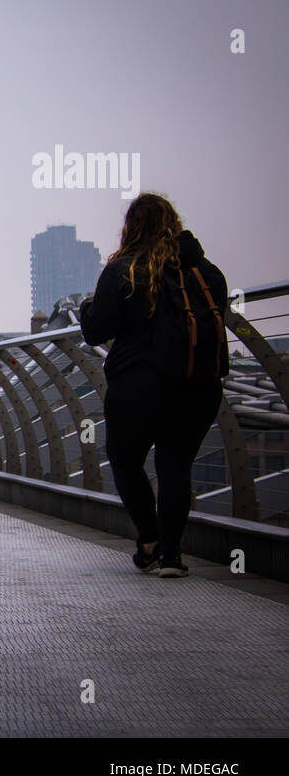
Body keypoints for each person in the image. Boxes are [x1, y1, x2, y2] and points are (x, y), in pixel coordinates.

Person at [79, 193, 228, 578]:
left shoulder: (124, 270)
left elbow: (96, 331)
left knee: (127, 462)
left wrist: (85, 308)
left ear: (131, 228)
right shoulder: (207, 273)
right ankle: (173, 556)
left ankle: (149, 541)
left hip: (138, 387)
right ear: (174, 225)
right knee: (176, 466)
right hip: (198, 385)